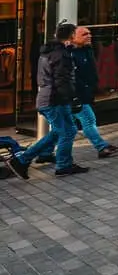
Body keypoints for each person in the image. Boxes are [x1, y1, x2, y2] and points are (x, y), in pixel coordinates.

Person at [8, 23, 86, 179]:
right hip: (54, 100)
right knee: (65, 132)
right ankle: (59, 165)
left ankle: (28, 159)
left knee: (66, 130)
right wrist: (72, 98)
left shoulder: (50, 51)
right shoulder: (61, 54)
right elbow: (62, 80)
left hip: (51, 98)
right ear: (71, 35)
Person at [68, 26, 118, 160]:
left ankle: (44, 152)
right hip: (76, 95)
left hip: (84, 93)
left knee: (65, 129)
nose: (89, 36)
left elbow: (91, 71)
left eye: (89, 33)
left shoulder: (87, 50)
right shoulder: (69, 54)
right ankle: (102, 147)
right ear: (73, 38)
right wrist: (77, 94)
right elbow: (72, 78)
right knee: (88, 120)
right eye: (84, 34)